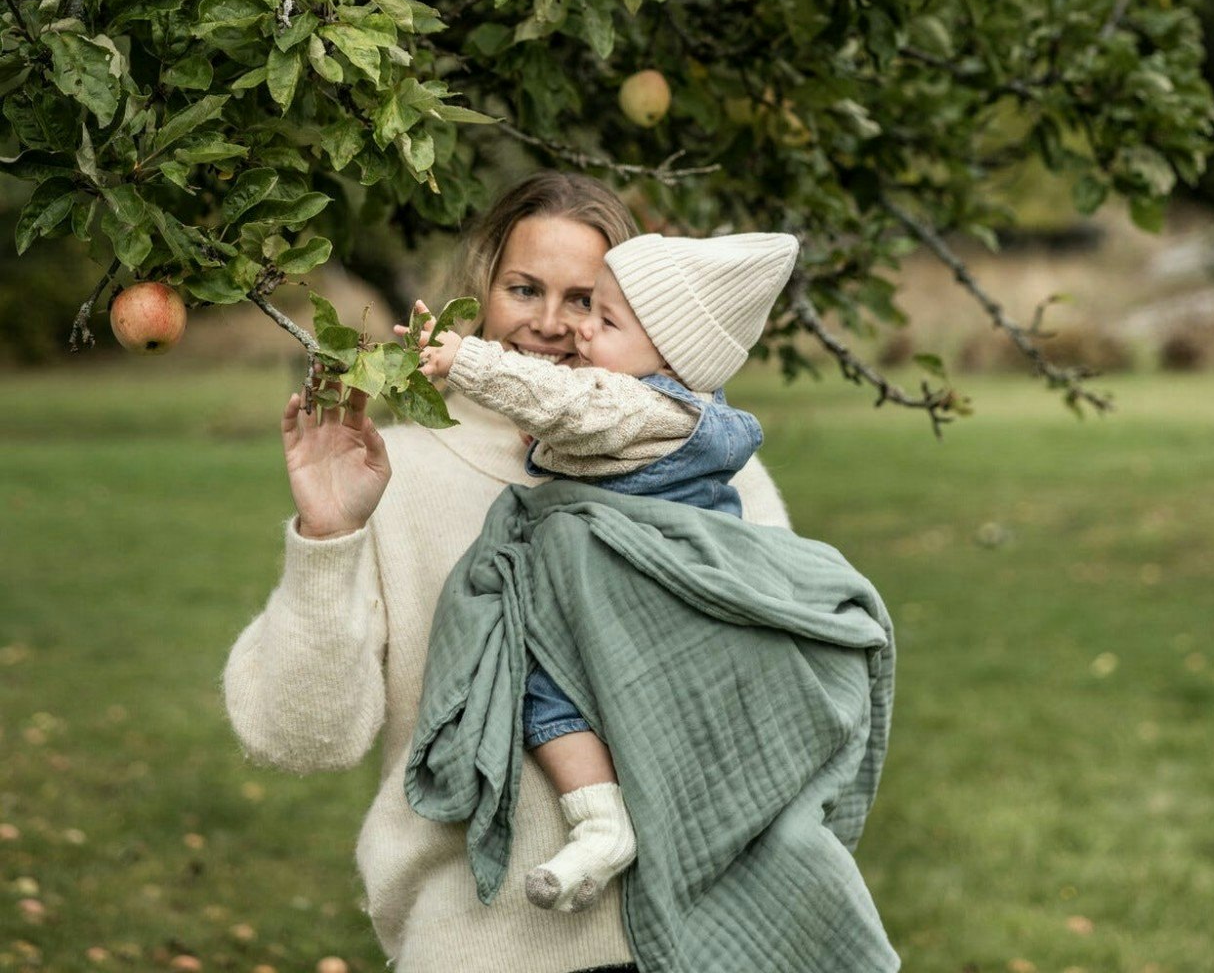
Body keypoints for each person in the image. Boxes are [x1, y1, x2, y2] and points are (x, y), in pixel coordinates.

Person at [220, 172, 794, 973]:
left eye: (586, 299)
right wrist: (327, 535)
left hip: (703, 939)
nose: (552, 325)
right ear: (480, 288)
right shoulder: (399, 474)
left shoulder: (714, 473)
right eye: (525, 288)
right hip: (482, 947)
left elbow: (783, 686)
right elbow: (300, 738)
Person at [396, 229, 799, 917]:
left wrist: (464, 359)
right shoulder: (645, 406)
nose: (576, 329)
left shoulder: (642, 405)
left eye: (600, 315)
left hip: (645, 605)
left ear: (670, 359)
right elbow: (572, 425)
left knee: (545, 692)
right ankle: (602, 824)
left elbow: (566, 403)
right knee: (544, 695)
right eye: (528, 290)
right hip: (618, 604)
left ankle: (606, 822)